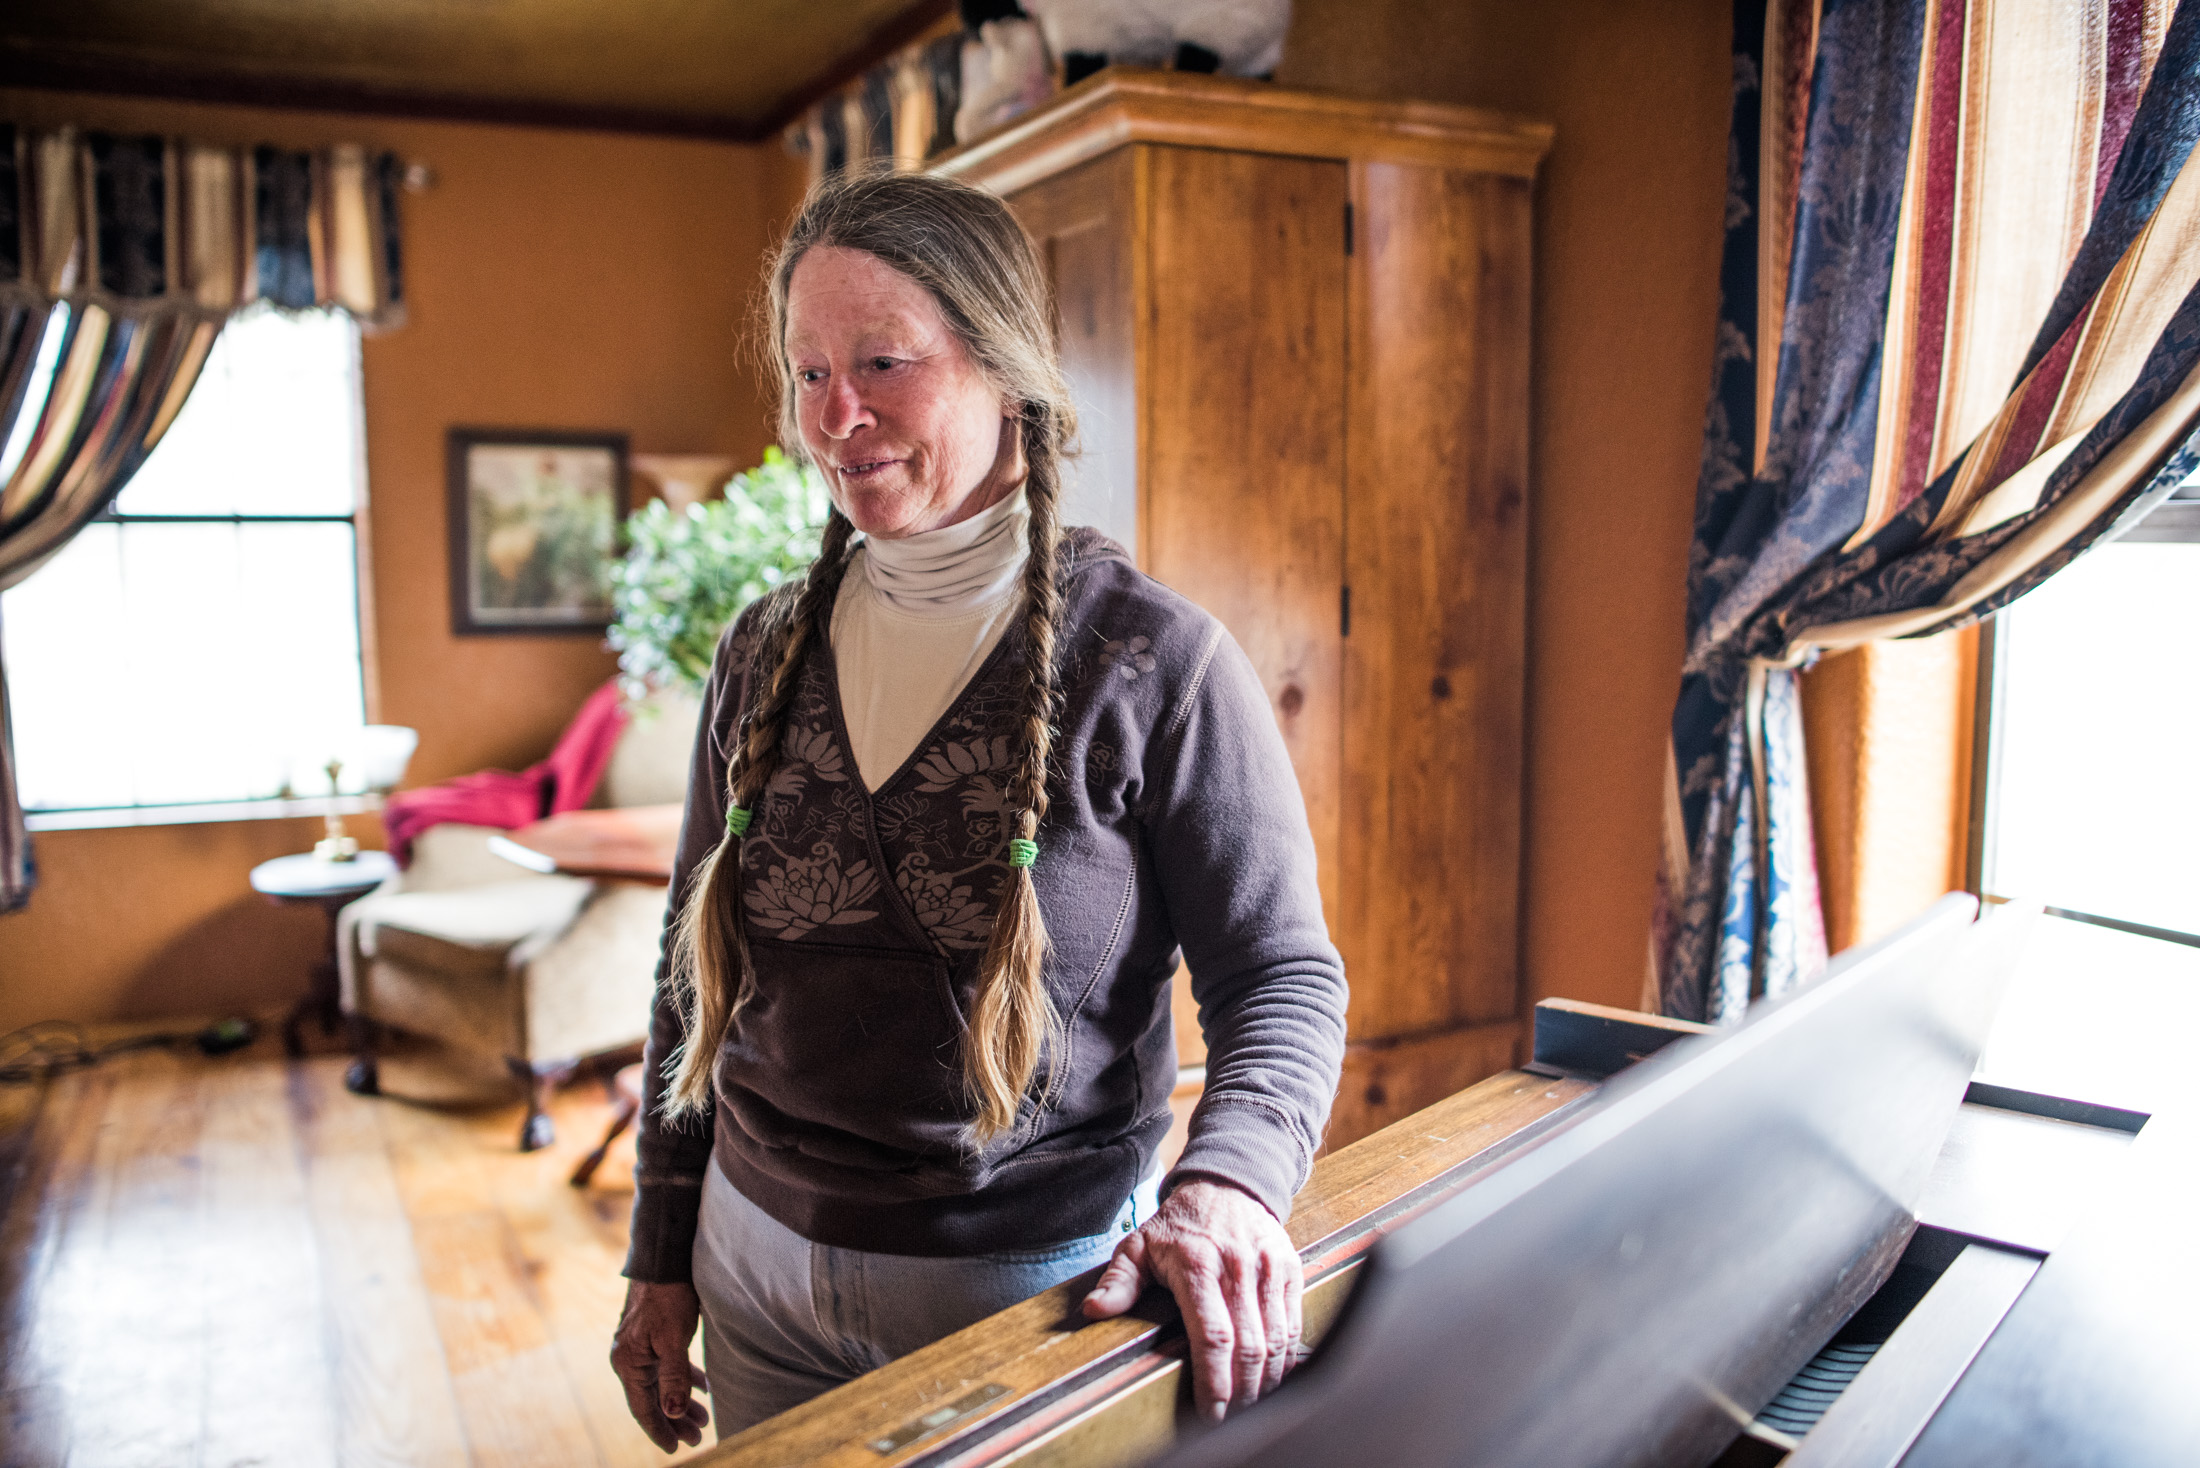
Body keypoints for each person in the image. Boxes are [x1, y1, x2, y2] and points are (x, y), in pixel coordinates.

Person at [610, 167, 1348, 1451]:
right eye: (807, 373)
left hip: (1029, 1290)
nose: (838, 415)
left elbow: (1281, 975)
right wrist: (658, 1249)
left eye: (883, 363)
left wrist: (1230, 1182)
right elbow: (694, 974)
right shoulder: (759, 651)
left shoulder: (1154, 665)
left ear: (1002, 365)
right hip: (750, 1270)